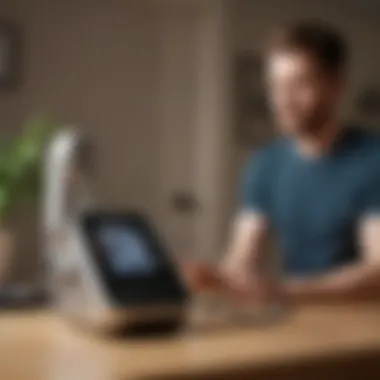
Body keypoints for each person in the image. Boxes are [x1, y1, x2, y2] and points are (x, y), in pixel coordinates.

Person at [184, 21, 380, 304]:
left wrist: (284, 291)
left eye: (299, 84)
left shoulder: (373, 159)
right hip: (298, 320)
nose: (283, 100)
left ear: (337, 86)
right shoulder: (265, 164)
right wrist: (215, 279)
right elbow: (240, 261)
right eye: (276, 86)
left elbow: (377, 274)